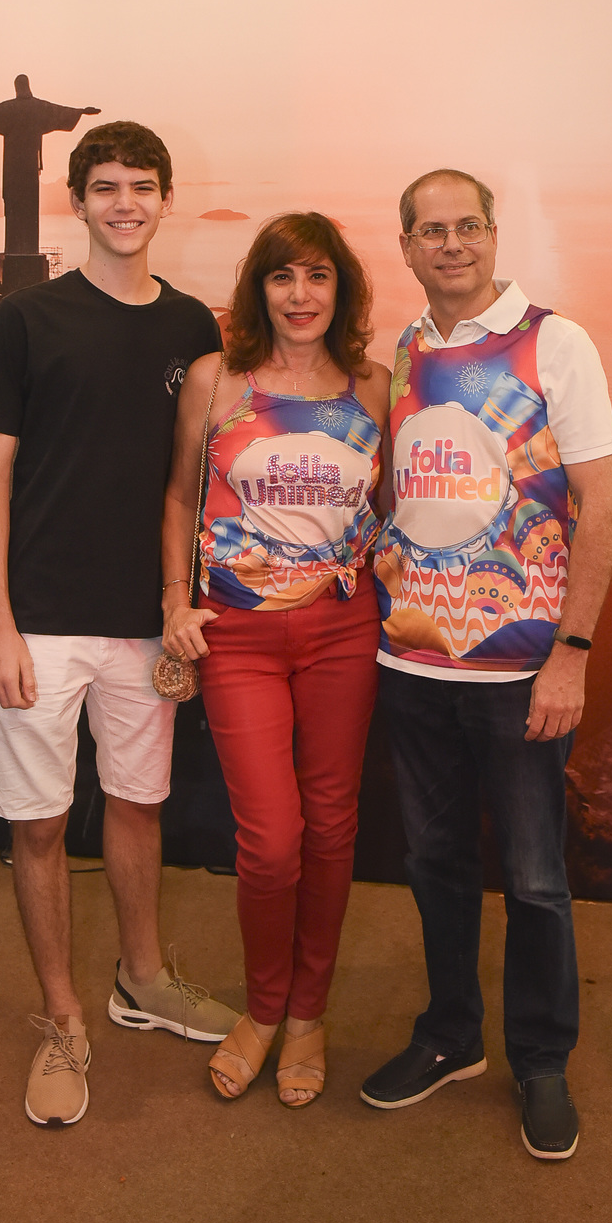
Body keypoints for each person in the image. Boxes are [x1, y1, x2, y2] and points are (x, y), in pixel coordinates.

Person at [0, 119, 238, 1129]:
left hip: (143, 624)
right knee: (37, 826)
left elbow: (196, 486)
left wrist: (180, 605)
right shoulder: (29, 320)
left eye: (142, 186)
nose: (125, 203)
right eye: (106, 186)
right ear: (77, 201)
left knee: (138, 804)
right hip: (38, 619)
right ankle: (64, 1017)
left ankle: (141, 979)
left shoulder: (193, 328)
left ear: (166, 200)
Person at [359, 169, 612, 1161]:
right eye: (430, 231)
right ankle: (451, 1036)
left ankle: (542, 1060)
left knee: (536, 877)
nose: (451, 244)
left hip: (522, 672)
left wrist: (572, 655)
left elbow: (605, 507)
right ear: (407, 246)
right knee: (434, 863)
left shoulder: (556, 342)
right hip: (416, 660)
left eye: (466, 225)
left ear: (493, 233)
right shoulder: (407, 351)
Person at [162, 213, 390, 1106]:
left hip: (343, 629)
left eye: (318, 276)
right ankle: (263, 1009)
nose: (301, 295)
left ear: (342, 289)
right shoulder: (218, 380)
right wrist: (174, 600)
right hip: (238, 633)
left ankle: (306, 1016)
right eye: (283, 276)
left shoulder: (373, 387)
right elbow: (180, 497)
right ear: (259, 289)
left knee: (331, 827)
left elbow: (394, 509)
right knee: (269, 841)